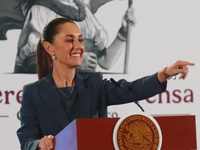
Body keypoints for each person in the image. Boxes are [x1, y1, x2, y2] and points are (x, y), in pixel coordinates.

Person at [16, 18, 194, 150]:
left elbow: (132, 90)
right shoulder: (33, 92)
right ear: (50, 48)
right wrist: (39, 144)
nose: (79, 46)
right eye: (70, 40)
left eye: (80, 39)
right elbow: (26, 140)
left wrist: (164, 74)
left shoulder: (94, 83)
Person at [13, 0, 135, 73]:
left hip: (86, 93)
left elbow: (105, 62)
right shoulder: (40, 9)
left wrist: (123, 33)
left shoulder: (83, 10)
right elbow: (34, 63)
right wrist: (72, 63)